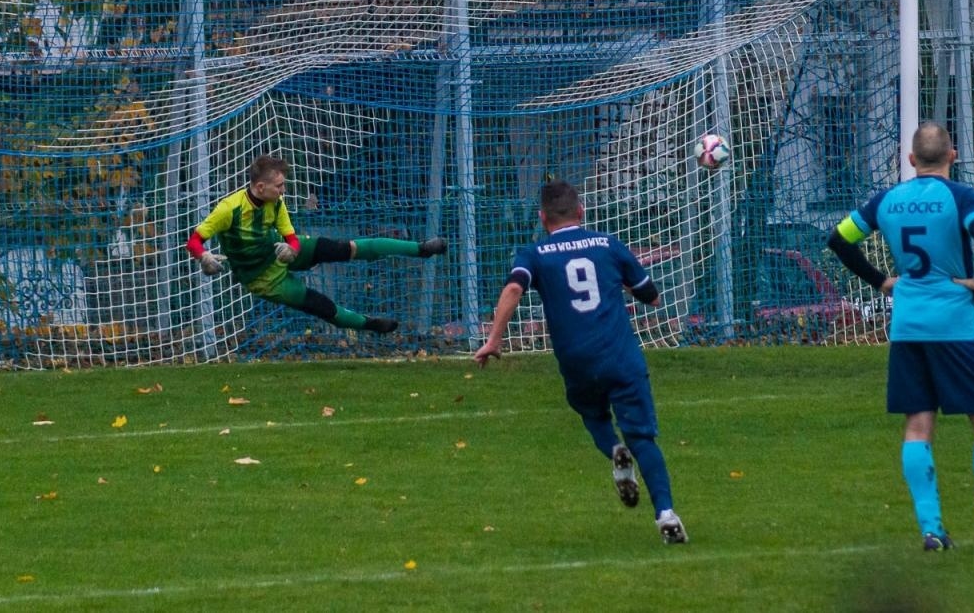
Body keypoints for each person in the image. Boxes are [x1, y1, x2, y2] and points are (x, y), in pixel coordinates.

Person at [827, 121, 974, 553]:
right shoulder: (961, 195)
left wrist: (880, 281)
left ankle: (932, 531)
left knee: (918, 424)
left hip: (908, 324)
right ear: (952, 156)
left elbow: (838, 239)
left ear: (911, 160)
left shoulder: (888, 200)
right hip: (954, 325)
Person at [474, 180, 686, 544]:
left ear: (543, 218)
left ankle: (615, 452)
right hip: (620, 356)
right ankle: (665, 514)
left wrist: (494, 339)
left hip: (576, 360)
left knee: (592, 413)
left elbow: (513, 289)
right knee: (643, 437)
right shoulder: (608, 245)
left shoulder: (535, 253)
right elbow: (651, 297)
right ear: (581, 211)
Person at [187, 154, 445, 334]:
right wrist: (204, 257)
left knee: (344, 249)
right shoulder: (228, 209)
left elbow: (290, 237)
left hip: (278, 251)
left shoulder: (276, 203)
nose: (283, 190)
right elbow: (195, 240)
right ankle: (371, 325)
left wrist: (293, 250)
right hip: (262, 278)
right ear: (260, 186)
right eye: (279, 186)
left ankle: (420, 249)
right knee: (321, 306)